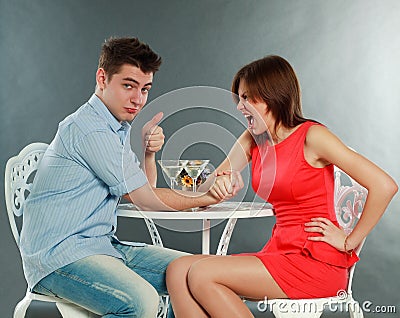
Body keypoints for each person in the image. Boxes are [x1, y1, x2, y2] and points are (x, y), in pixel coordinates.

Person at [19, 37, 242, 318]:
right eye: (128, 86)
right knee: (141, 304)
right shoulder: (91, 130)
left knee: (196, 276)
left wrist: (149, 153)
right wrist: (207, 196)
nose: (138, 99)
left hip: (103, 246)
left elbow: (143, 191)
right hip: (59, 258)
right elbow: (146, 200)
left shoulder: (116, 128)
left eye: (145, 89)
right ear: (102, 78)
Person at [165, 55, 398, 318]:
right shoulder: (254, 139)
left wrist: (348, 241)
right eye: (239, 98)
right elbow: (214, 179)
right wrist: (223, 181)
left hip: (313, 261)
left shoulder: (312, 136)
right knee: (177, 270)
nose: (240, 107)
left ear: (272, 97)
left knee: (201, 274)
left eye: (247, 98)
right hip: (278, 252)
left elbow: (384, 185)